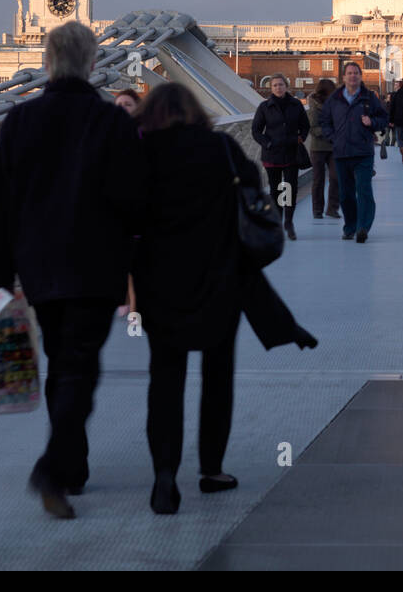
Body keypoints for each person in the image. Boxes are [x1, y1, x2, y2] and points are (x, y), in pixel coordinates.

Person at [0, 22, 146, 520]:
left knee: (63, 361)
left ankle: (72, 465)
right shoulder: (113, 124)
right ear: (94, 64)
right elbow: (133, 203)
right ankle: (55, 468)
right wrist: (134, 267)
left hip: (38, 268)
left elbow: (3, 206)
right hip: (96, 266)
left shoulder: (18, 121)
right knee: (80, 365)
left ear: (48, 63)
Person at [132, 83, 317, 515]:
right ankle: (211, 469)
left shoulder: (141, 154)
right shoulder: (221, 150)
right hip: (220, 278)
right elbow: (253, 194)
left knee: (165, 379)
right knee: (218, 376)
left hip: (161, 285)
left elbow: (124, 217)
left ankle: (164, 476)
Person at [320, 61, 388, 243]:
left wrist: (372, 122)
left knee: (364, 190)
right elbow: (324, 121)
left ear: (360, 76)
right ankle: (350, 226)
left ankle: (363, 227)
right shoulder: (334, 98)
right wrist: (333, 138)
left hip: (363, 152)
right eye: (349, 73)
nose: (352, 76)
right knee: (346, 194)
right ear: (344, 77)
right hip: (341, 153)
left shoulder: (369, 97)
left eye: (356, 73)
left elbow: (383, 117)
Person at [251, 73, 310, 241]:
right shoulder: (264, 107)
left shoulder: (296, 104)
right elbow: (256, 130)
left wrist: (301, 138)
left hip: (291, 153)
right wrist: (267, 143)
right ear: (271, 88)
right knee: (276, 190)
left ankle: (289, 222)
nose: (278, 87)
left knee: (290, 189)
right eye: (275, 85)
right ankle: (278, 222)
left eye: (281, 84)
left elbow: (305, 125)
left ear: (286, 86)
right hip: (272, 154)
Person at [305, 78, 340, 219]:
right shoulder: (313, 108)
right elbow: (312, 129)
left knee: (336, 178)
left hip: (334, 147)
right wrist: (329, 132)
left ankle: (332, 209)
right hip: (318, 148)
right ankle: (317, 210)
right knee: (318, 180)